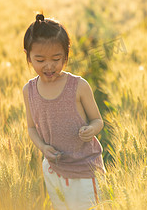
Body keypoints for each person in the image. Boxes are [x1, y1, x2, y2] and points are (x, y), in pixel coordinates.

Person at [23, 14, 106, 210]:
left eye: (56, 59)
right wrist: (43, 148)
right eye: (40, 60)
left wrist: (91, 129)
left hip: (85, 170)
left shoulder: (78, 86)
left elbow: (97, 120)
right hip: (54, 170)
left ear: (66, 54)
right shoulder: (29, 90)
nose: (49, 65)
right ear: (28, 56)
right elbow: (31, 128)